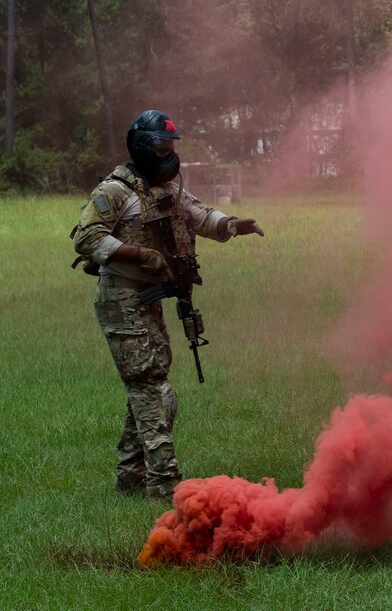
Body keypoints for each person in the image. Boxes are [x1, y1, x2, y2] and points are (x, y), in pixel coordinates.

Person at [72, 110, 264, 500]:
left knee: (149, 384)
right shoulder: (114, 191)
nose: (168, 153)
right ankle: (164, 485)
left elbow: (198, 215)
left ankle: (130, 479)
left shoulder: (169, 186)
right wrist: (137, 253)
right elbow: (86, 238)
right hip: (122, 296)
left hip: (150, 298)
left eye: (172, 145)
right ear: (143, 146)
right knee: (151, 387)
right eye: (161, 145)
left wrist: (231, 224)